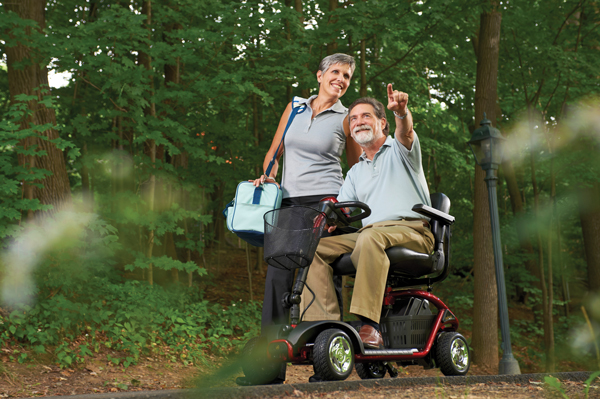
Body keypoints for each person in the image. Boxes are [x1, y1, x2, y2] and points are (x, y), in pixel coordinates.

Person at [237, 54, 362, 386]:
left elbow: (356, 168)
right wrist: (267, 176)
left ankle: (327, 362)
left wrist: (344, 209)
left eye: (347, 76)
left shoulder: (347, 117)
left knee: (317, 276)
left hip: (326, 203)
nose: (341, 79)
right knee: (278, 275)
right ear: (319, 75)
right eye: (335, 72)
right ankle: (268, 367)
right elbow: (275, 152)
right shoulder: (294, 107)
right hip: (290, 203)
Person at [299, 85, 435, 360]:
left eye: (365, 116)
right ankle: (323, 325)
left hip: (411, 230)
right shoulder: (355, 172)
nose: (358, 121)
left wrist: (402, 112)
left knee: (370, 237)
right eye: (353, 119)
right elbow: (344, 212)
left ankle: (369, 325)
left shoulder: (401, 150)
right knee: (313, 248)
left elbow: (406, 131)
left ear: (382, 122)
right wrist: (329, 219)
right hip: (369, 233)